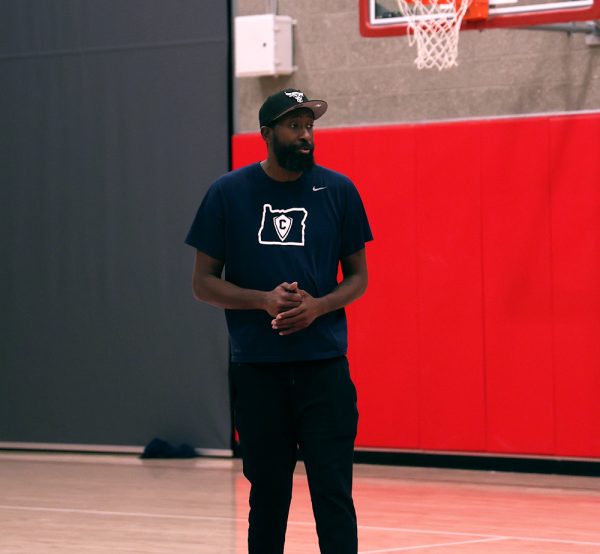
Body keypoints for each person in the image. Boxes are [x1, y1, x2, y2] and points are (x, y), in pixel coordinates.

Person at [185, 88, 373, 553]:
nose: (305, 135)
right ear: (267, 134)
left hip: (324, 367)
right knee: (268, 497)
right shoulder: (227, 194)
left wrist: (319, 306)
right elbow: (203, 283)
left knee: (333, 494)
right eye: (294, 126)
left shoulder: (339, 191)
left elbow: (358, 278)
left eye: (309, 126)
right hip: (258, 370)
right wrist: (263, 300)